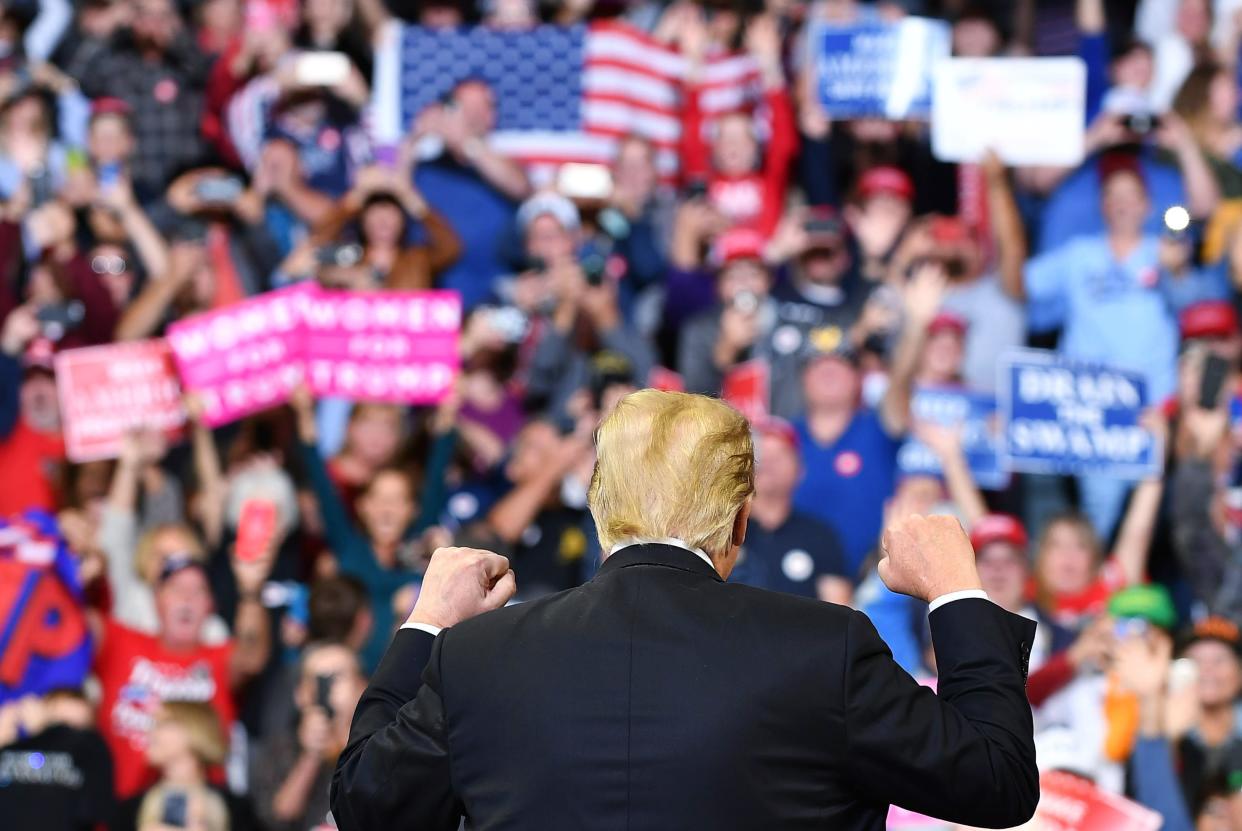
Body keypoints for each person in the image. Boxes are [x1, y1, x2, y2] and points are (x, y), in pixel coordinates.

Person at [331, 390, 1039, 830]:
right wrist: (956, 589)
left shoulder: (476, 655)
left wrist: (424, 626)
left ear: (604, 516)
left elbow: (366, 804)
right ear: (738, 523)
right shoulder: (825, 646)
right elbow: (997, 779)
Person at [728, 418, 852, 603]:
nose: (767, 463)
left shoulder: (819, 536)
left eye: (779, 456)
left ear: (799, 469)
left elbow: (841, 609)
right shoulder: (724, 534)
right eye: (759, 455)